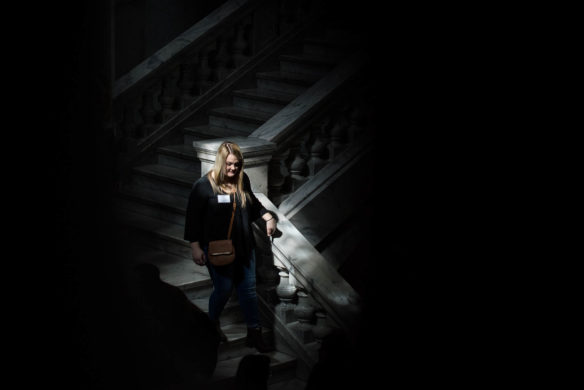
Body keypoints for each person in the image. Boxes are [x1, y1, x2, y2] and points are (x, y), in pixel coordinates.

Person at [184, 141, 276, 353]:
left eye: (236, 164)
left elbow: (252, 204)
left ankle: (254, 333)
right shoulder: (203, 186)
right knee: (224, 289)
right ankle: (211, 324)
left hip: (244, 246)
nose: (233, 169)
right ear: (220, 163)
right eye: (229, 164)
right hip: (217, 248)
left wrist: (268, 216)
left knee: (249, 291)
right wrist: (195, 247)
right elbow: (193, 219)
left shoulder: (242, 179)